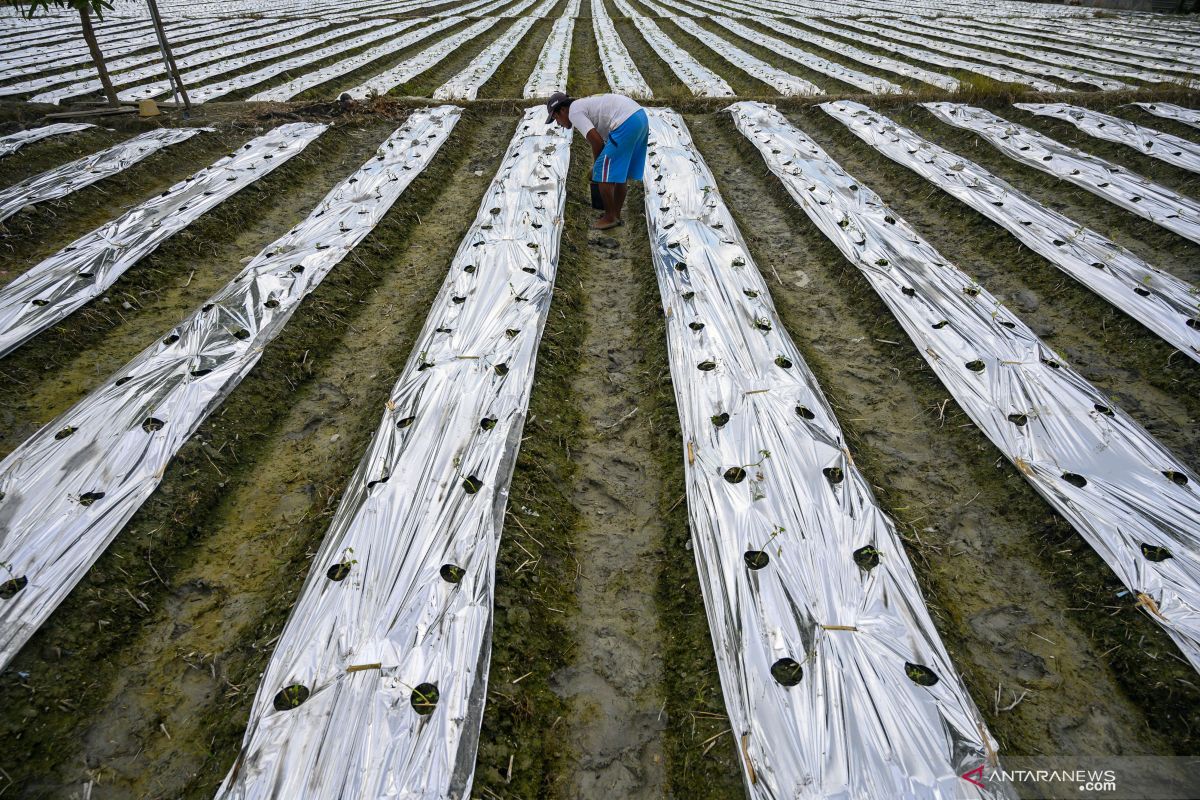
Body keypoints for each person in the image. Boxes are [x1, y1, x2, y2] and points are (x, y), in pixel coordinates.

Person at [546, 91, 648, 230]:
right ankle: (615, 215)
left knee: (601, 169)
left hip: (626, 121)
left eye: (556, 118)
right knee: (619, 171)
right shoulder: (582, 105)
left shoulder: (574, 112)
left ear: (563, 110)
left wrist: (597, 169)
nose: (558, 123)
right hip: (639, 117)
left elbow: (597, 142)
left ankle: (610, 216)